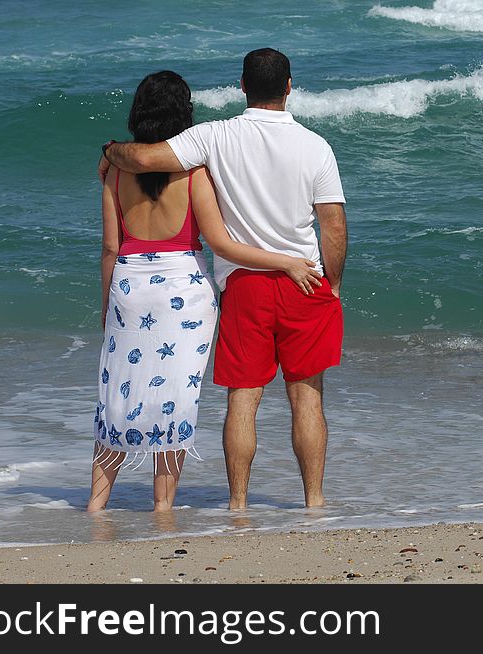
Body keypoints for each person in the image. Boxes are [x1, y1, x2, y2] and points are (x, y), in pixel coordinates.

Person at [99, 48, 348, 510]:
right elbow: (332, 225)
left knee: (243, 400)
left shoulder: (215, 137)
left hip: (246, 285)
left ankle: (237, 505)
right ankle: (314, 502)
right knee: (307, 399)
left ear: (242, 86)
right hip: (304, 281)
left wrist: (110, 151)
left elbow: (147, 158)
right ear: (289, 86)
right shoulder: (316, 146)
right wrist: (332, 283)